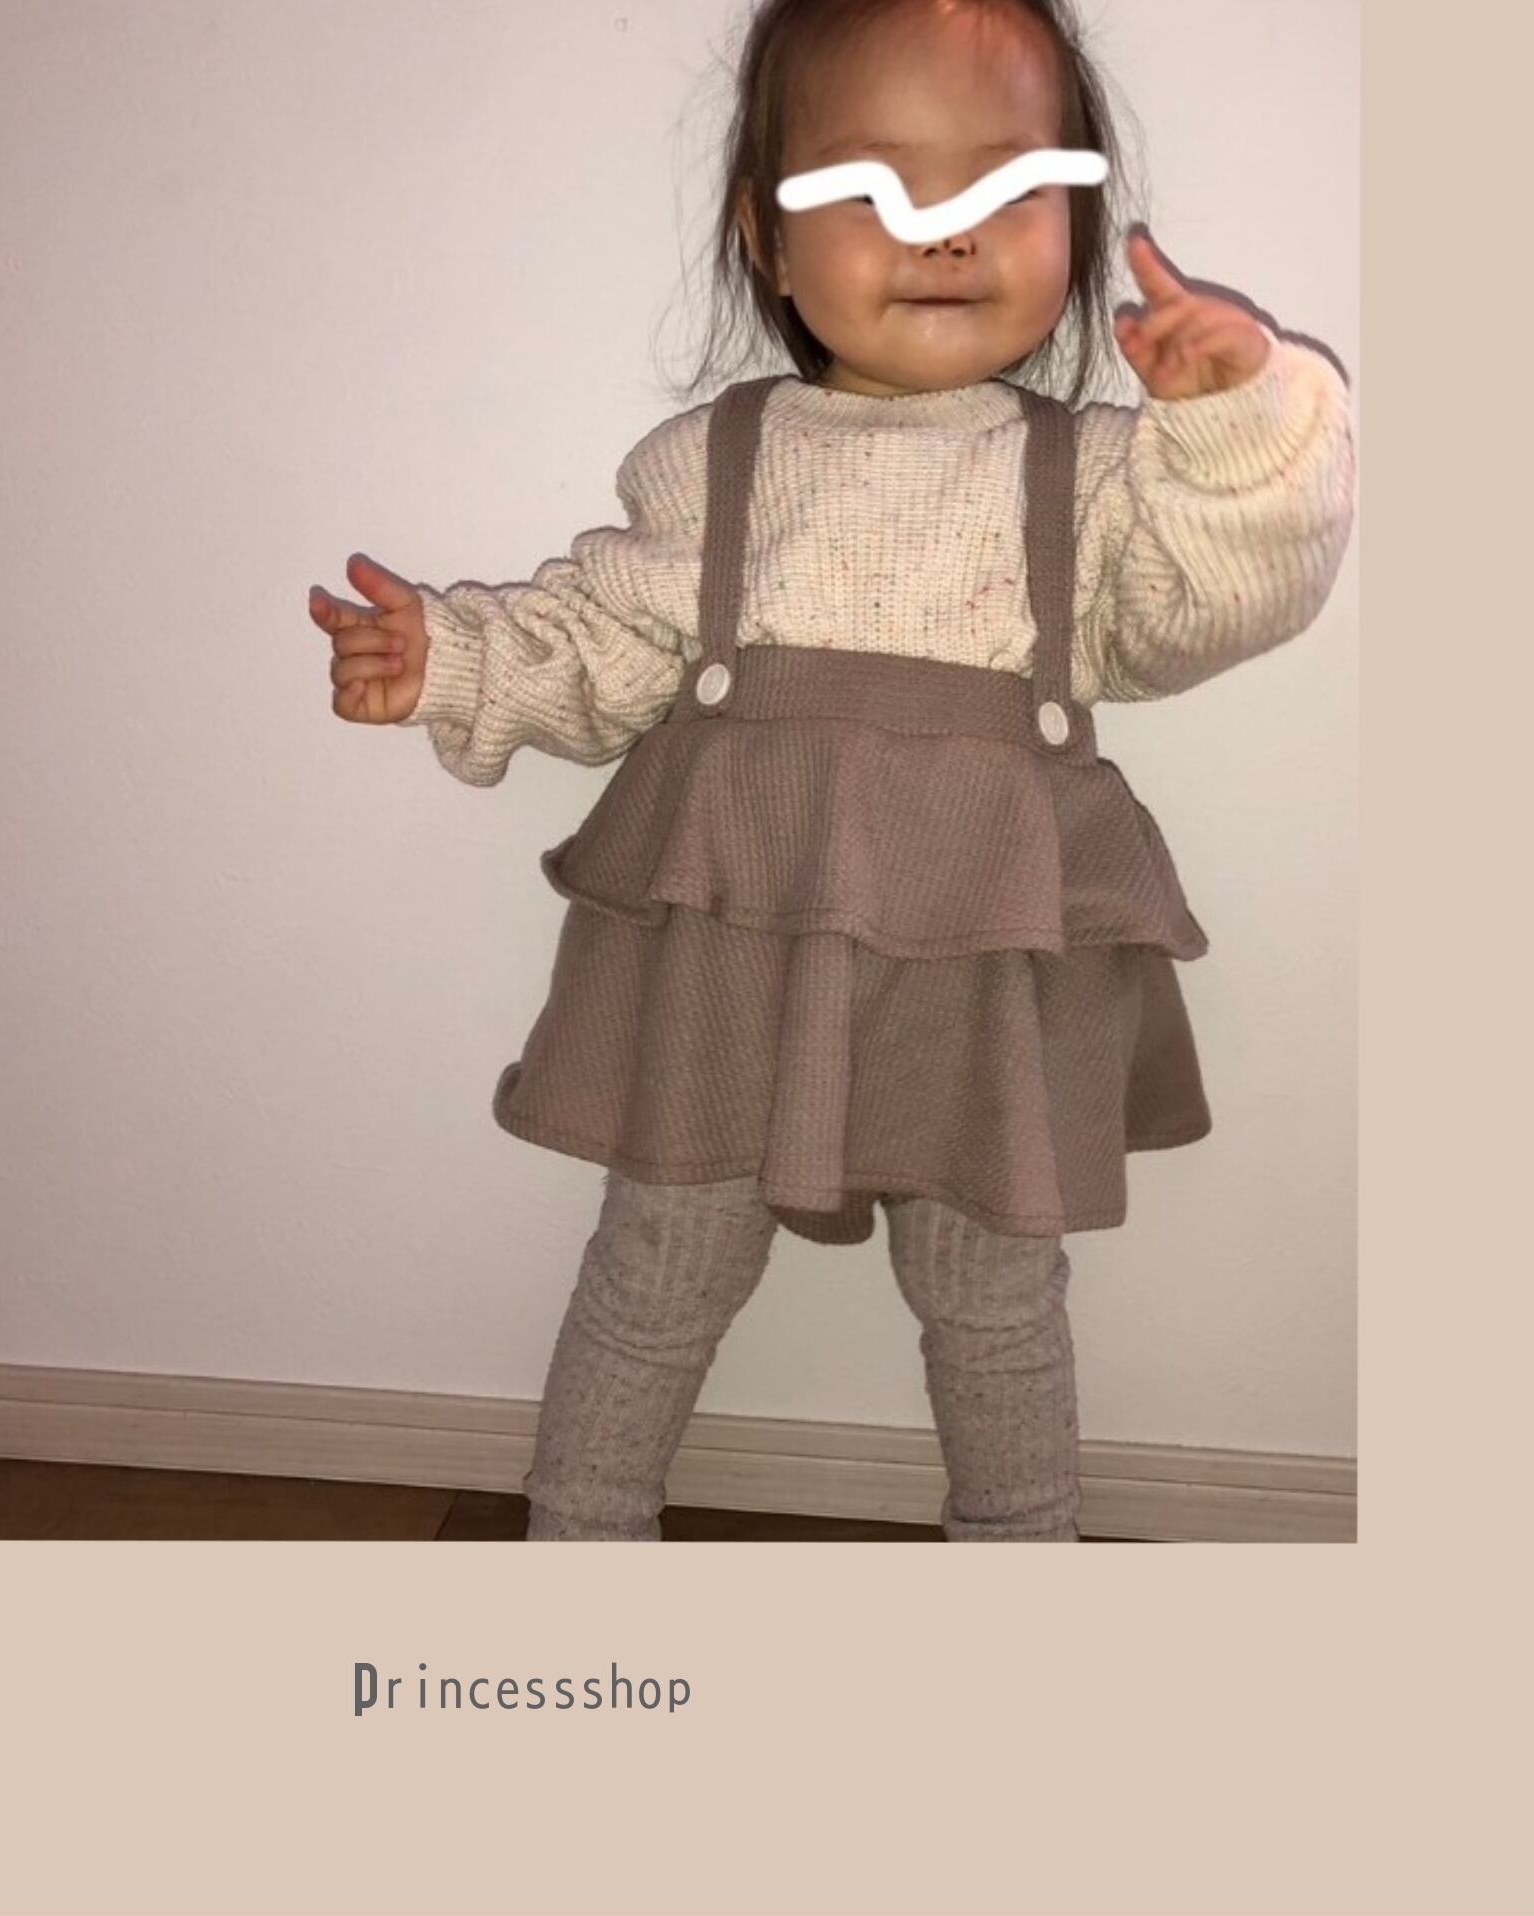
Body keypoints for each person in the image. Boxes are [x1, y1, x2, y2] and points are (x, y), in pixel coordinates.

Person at [305, 0, 1354, 1542]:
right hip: (740, 946)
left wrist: (1235, 434)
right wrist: (451, 661)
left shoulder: (1099, 481)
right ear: (770, 238)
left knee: (993, 1290)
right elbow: (598, 643)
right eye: (875, 184)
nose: (945, 228)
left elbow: (1219, 608)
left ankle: (1021, 1546)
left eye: (1009, 184)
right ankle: (581, 1529)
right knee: (661, 1262)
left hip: (984, 953)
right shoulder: (710, 467)